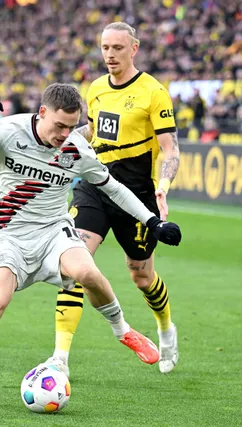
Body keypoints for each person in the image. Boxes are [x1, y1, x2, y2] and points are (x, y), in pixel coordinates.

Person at [0, 83, 182, 410]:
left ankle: (123, 330)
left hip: (54, 231)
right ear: (42, 113)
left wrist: (153, 222)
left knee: (87, 272)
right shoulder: (8, 131)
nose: (65, 134)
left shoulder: (77, 148)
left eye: (71, 126)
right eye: (60, 126)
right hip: (11, 237)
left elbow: (115, 189)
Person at [49, 22, 182, 376]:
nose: (110, 55)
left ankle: (165, 328)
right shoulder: (95, 88)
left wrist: (163, 185)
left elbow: (170, 148)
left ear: (134, 49)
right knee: (73, 264)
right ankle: (60, 358)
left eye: (118, 48)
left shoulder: (154, 92)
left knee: (141, 276)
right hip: (95, 185)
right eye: (105, 47)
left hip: (136, 194)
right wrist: (60, 138)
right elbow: (93, 131)